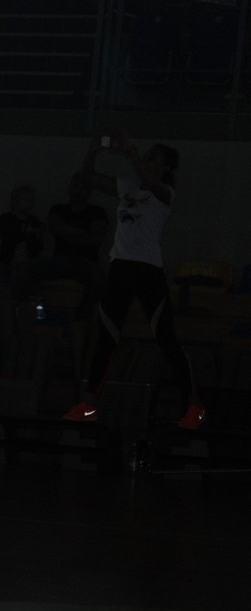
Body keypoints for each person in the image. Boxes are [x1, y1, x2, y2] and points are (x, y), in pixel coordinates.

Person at [64, 134, 203, 429]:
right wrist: (92, 151)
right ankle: (88, 404)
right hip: (121, 269)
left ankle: (193, 406)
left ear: (165, 168)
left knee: (166, 339)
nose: (147, 160)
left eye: (153, 157)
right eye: (146, 155)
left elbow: (149, 180)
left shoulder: (165, 194)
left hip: (148, 270)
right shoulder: (127, 187)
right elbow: (87, 178)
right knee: (106, 337)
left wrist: (132, 154)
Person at [11, 172, 108, 315]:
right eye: (75, 186)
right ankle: (28, 314)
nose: (79, 191)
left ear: (89, 191)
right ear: (69, 189)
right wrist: (83, 233)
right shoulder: (58, 209)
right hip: (60, 260)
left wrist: (68, 232)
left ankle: (81, 319)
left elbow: (96, 239)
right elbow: (56, 228)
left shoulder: (97, 212)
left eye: (83, 187)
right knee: (23, 269)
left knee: (99, 278)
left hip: (85, 262)